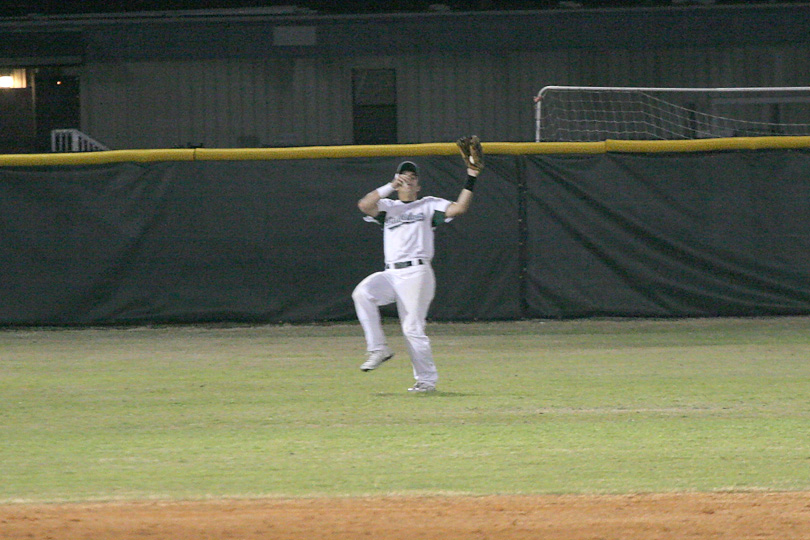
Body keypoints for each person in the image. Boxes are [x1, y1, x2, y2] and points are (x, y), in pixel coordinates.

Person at [352, 136, 484, 393]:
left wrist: (472, 176)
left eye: (412, 175)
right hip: (391, 273)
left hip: (417, 272)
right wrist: (390, 185)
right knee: (362, 293)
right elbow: (364, 204)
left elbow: (459, 209)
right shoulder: (388, 206)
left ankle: (426, 381)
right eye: (404, 174)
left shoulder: (428, 204)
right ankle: (378, 349)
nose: (408, 177)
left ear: (418, 184)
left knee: (412, 328)